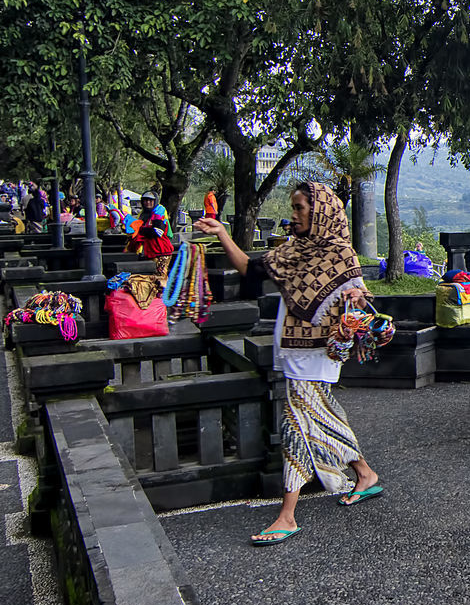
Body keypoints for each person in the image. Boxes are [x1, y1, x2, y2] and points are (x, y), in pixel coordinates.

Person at [194, 182, 383, 546]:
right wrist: (221, 234)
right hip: (292, 350)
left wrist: (355, 296)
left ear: (321, 211)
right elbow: (251, 270)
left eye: (299, 208)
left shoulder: (339, 252)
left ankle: (287, 514)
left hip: (319, 352)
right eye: (293, 208)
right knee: (323, 416)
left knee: (296, 425)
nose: (293, 215)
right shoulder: (293, 249)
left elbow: (359, 294)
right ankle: (365, 474)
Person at [129, 193, 176, 274]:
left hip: (161, 252)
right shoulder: (143, 214)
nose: (148, 202)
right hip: (149, 251)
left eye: (151, 200)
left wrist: (141, 230)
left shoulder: (159, 213)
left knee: (161, 277)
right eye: (145, 200)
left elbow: (158, 232)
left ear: (155, 201)